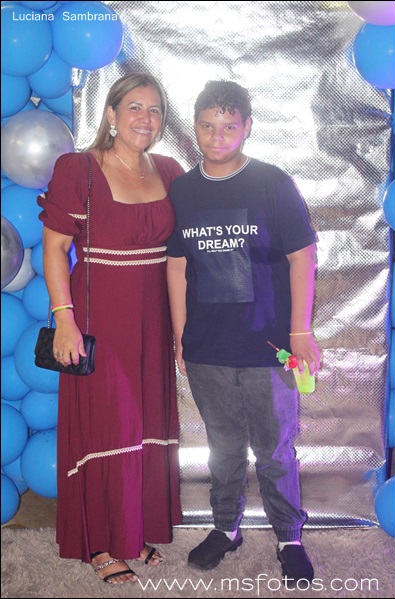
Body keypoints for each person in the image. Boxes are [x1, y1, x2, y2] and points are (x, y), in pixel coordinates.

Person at [166, 80, 321, 587]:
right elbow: (176, 266)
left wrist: (300, 330)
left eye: (229, 126)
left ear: (247, 127)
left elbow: (302, 256)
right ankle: (225, 528)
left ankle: (289, 538)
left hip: (267, 346)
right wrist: (180, 335)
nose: (218, 136)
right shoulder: (182, 191)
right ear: (194, 127)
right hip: (207, 348)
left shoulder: (272, 183)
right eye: (208, 125)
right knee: (223, 448)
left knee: (275, 450)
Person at [38, 73, 183, 584]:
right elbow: (55, 248)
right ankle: (100, 542)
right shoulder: (79, 169)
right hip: (100, 317)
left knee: (145, 424)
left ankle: (132, 529)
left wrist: (182, 331)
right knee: (108, 424)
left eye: (155, 110)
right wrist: (64, 320)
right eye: (135, 107)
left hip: (153, 318)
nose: (146, 118)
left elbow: (180, 259)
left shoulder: (169, 170)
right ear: (112, 114)